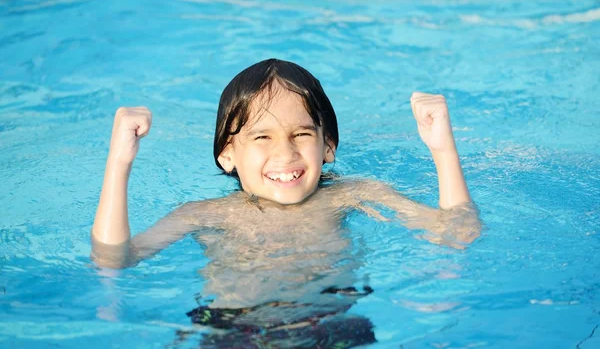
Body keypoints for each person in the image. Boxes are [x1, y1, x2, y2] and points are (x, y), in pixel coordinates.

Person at [91, 58, 481, 347]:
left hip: (330, 327)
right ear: (228, 154)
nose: (285, 154)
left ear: (327, 146)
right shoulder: (204, 215)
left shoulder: (356, 194)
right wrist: (119, 163)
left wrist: (442, 148)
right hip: (233, 329)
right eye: (262, 138)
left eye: (301, 134)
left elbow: (457, 234)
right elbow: (114, 258)